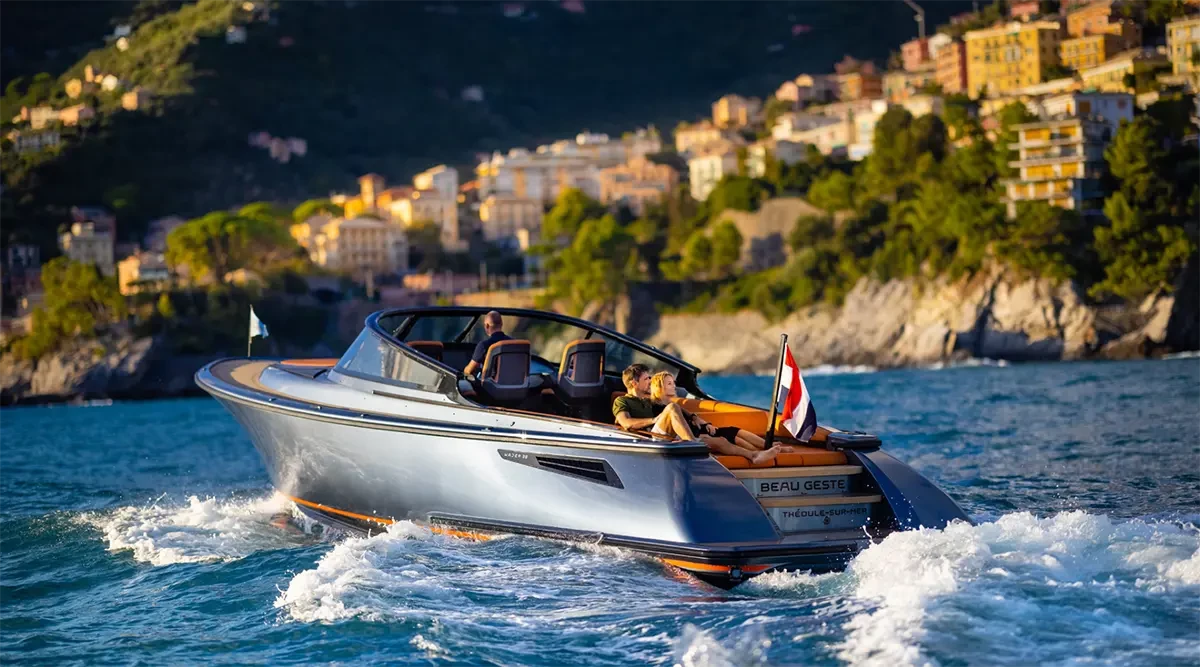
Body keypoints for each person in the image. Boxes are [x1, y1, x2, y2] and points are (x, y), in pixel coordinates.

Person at [613, 364, 785, 464]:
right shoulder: (622, 401)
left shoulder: (650, 398)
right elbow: (626, 423)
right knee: (671, 409)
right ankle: (692, 444)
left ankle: (754, 456)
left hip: (668, 435)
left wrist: (694, 417)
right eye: (646, 379)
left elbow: (674, 407)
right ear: (634, 383)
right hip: (649, 439)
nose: (650, 381)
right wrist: (655, 419)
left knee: (720, 440)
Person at [649, 371, 775, 454]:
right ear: (660, 387)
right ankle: (761, 452)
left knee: (734, 430)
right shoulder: (658, 408)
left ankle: (767, 446)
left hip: (700, 430)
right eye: (669, 384)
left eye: (673, 383)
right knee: (732, 437)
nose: (674, 386)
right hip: (695, 436)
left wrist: (705, 423)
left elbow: (690, 419)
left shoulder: (675, 405)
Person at [464, 311, 510, 377]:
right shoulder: (515, 344)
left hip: (492, 386)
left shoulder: (484, 345)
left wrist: (464, 370)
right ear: (501, 324)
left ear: (487, 326)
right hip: (517, 385)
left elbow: (469, 371)